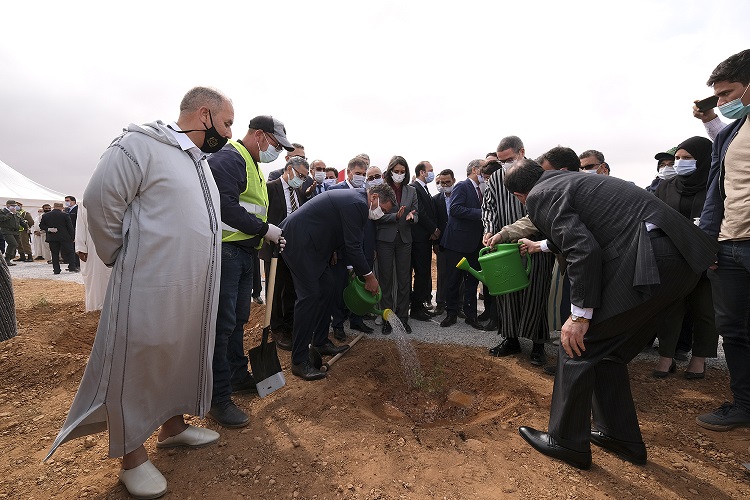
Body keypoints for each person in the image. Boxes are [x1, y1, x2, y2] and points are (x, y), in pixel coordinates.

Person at [45, 86, 234, 499]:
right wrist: (121, 253)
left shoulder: (197, 161)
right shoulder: (139, 144)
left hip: (191, 286)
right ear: (204, 115)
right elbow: (100, 199)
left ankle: (173, 427)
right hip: (149, 282)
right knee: (139, 358)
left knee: (178, 352)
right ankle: (131, 456)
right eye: (226, 123)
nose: (229, 133)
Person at [504, 159, 717, 470]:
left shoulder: (540, 195)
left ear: (519, 196)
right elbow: (599, 225)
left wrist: (579, 316)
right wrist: (543, 245)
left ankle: (566, 441)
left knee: (576, 345)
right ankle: (619, 436)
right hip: (681, 262)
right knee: (609, 351)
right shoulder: (570, 180)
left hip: (649, 260)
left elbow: (583, 248)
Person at [207, 114, 292, 428]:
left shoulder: (252, 163)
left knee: (238, 318)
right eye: (275, 145)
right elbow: (225, 205)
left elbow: (251, 208)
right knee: (223, 324)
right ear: (259, 135)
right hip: (226, 251)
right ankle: (217, 398)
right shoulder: (229, 158)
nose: (277, 152)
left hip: (244, 251)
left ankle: (236, 375)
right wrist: (264, 229)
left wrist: (266, 235)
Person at [280, 184, 395, 380]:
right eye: (382, 209)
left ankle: (320, 341)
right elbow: (353, 246)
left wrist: (340, 256)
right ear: (374, 197)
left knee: (328, 287)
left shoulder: (358, 201)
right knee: (309, 297)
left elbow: (342, 233)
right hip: (299, 241)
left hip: (316, 245)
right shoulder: (358, 203)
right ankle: (299, 361)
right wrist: (369, 277)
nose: (381, 215)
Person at [697, 49, 750, 431]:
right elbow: (716, 195)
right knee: (733, 331)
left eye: (728, 93)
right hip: (729, 246)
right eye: (717, 96)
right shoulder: (730, 135)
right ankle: (744, 404)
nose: (721, 103)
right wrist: (708, 244)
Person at [481, 136, 554, 365]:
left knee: (536, 292)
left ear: (522, 152)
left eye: (509, 159)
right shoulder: (495, 179)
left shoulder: (536, 173)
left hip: (535, 243)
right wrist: (489, 230)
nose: (505, 165)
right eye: (501, 161)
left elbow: (536, 216)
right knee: (507, 293)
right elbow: (488, 207)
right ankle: (510, 339)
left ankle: (538, 345)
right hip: (504, 246)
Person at [652, 136, 717, 379]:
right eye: (678, 158)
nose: (680, 163)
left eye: (687, 158)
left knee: (704, 310)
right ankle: (666, 357)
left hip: (706, 257)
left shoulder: (716, 184)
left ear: (703, 159)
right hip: (674, 257)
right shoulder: (666, 186)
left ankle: (699, 359)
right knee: (670, 308)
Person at [261, 155, 310, 351]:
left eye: (304, 177)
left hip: (293, 248)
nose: (301, 180)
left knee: (290, 289)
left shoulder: (298, 192)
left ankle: (290, 325)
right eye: (300, 175)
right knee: (275, 289)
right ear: (289, 169)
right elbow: (262, 216)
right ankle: (277, 328)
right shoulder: (270, 188)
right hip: (273, 247)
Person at [328, 157, 378, 340]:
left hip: (363, 248)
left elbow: (370, 224)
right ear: (348, 172)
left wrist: (371, 247)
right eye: (358, 173)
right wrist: (332, 249)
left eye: (364, 174)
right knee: (340, 287)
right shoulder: (335, 191)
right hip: (342, 249)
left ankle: (357, 319)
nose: (361, 177)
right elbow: (330, 225)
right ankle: (338, 324)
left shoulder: (368, 192)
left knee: (362, 284)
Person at [440, 159, 486, 330]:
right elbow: (455, 209)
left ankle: (471, 315)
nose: (485, 173)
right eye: (483, 169)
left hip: (474, 244)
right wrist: (482, 213)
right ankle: (451, 313)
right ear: (475, 170)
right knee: (453, 280)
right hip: (457, 243)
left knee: (472, 281)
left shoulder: (481, 189)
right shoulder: (462, 186)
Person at [375, 156, 418, 334]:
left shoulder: (411, 190)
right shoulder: (381, 189)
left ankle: (403, 318)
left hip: (405, 240)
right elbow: (376, 215)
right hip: (385, 239)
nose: (399, 174)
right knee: (385, 280)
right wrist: (395, 216)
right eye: (396, 171)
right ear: (390, 171)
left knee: (404, 280)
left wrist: (412, 217)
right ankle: (388, 318)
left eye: (402, 171)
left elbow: (416, 213)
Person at [409, 161, 439, 320]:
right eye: (430, 170)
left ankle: (419, 305)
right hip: (418, 238)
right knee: (421, 273)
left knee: (424, 274)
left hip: (425, 238)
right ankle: (415, 308)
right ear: (422, 172)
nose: (432, 173)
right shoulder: (415, 187)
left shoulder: (425, 188)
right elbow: (420, 211)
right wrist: (433, 229)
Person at [75, 203, 112, 312]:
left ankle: (113, 308)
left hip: (113, 244)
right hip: (92, 247)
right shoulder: (85, 202)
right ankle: (95, 308)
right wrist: (81, 247)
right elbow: (80, 225)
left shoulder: (117, 198)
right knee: (95, 278)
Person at [432, 169, 455, 316]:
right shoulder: (436, 199)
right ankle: (440, 303)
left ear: (453, 181)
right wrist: (435, 243)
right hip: (442, 243)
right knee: (442, 273)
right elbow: (435, 221)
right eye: (442, 182)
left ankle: (458, 305)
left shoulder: (460, 196)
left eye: (447, 182)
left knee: (459, 274)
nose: (445, 185)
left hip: (459, 242)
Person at [39, 202, 77, 275]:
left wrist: (49, 229)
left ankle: (56, 269)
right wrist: (72, 237)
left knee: (54, 254)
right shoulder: (65, 215)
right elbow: (70, 227)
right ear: (62, 207)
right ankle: (72, 267)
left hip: (52, 237)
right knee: (70, 252)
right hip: (65, 237)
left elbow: (41, 226)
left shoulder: (46, 215)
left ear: (53, 207)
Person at [0, 200, 22, 266]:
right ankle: (7, 259)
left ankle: (9, 258)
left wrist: (27, 227)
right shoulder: (2, 212)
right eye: (12, 205)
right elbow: (2, 219)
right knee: (12, 243)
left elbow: (20, 220)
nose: (14, 207)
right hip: (6, 230)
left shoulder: (16, 213)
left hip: (15, 231)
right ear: (7, 205)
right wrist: (10, 213)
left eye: (15, 206)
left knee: (16, 244)